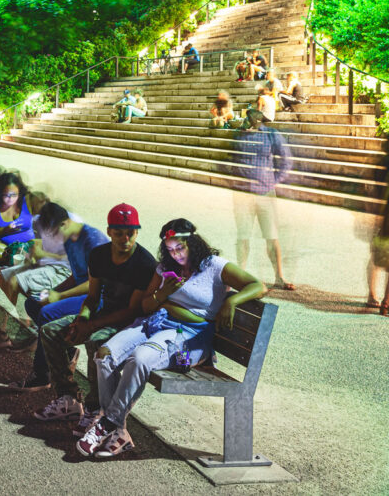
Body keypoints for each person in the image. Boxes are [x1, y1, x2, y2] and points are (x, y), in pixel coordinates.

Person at [76, 219, 266, 457]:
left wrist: (231, 301)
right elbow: (146, 306)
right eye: (169, 249)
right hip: (154, 324)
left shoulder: (214, 266)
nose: (175, 254)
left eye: (180, 248)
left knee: (139, 359)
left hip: (188, 340)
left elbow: (257, 285)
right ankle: (118, 431)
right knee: (104, 356)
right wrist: (163, 294)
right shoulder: (165, 268)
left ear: (193, 243)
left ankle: (108, 422)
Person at [31, 203, 156, 438]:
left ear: (137, 232)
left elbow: (132, 311)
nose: (125, 239)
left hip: (129, 325)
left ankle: (94, 408)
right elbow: (91, 297)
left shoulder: (144, 264)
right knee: (51, 332)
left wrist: (90, 326)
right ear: (109, 232)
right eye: (119, 233)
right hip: (101, 314)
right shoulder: (100, 255)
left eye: (130, 233)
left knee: (95, 342)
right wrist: (81, 320)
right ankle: (68, 398)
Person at [9, 203, 109, 390]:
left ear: (64, 223)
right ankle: (66, 350)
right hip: (82, 293)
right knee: (33, 304)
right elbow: (76, 276)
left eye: (54, 232)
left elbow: (94, 283)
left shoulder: (92, 240)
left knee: (47, 313)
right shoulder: (71, 238)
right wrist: (53, 291)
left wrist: (60, 295)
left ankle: (43, 375)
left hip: (98, 298)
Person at [233, 108, 294, 290]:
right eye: (249, 116)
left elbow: (286, 160)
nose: (251, 119)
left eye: (255, 117)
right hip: (243, 193)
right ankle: (240, 276)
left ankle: (279, 277)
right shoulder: (239, 134)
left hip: (265, 192)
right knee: (243, 236)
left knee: (272, 236)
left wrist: (272, 180)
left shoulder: (270, 134)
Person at [0, 172, 37, 267]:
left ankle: (19, 259)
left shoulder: (26, 200)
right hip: (5, 247)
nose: (10, 199)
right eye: (6, 195)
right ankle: (18, 259)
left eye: (14, 195)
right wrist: (4, 230)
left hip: (28, 246)